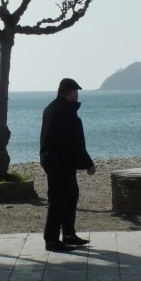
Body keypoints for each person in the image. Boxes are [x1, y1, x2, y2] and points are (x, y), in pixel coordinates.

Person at [40, 77, 97, 252]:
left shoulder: (52, 108)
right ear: (70, 92)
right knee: (59, 200)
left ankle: (69, 234)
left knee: (71, 195)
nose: (77, 94)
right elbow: (74, 141)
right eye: (76, 91)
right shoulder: (64, 112)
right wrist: (88, 164)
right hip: (59, 161)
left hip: (55, 159)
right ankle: (51, 239)